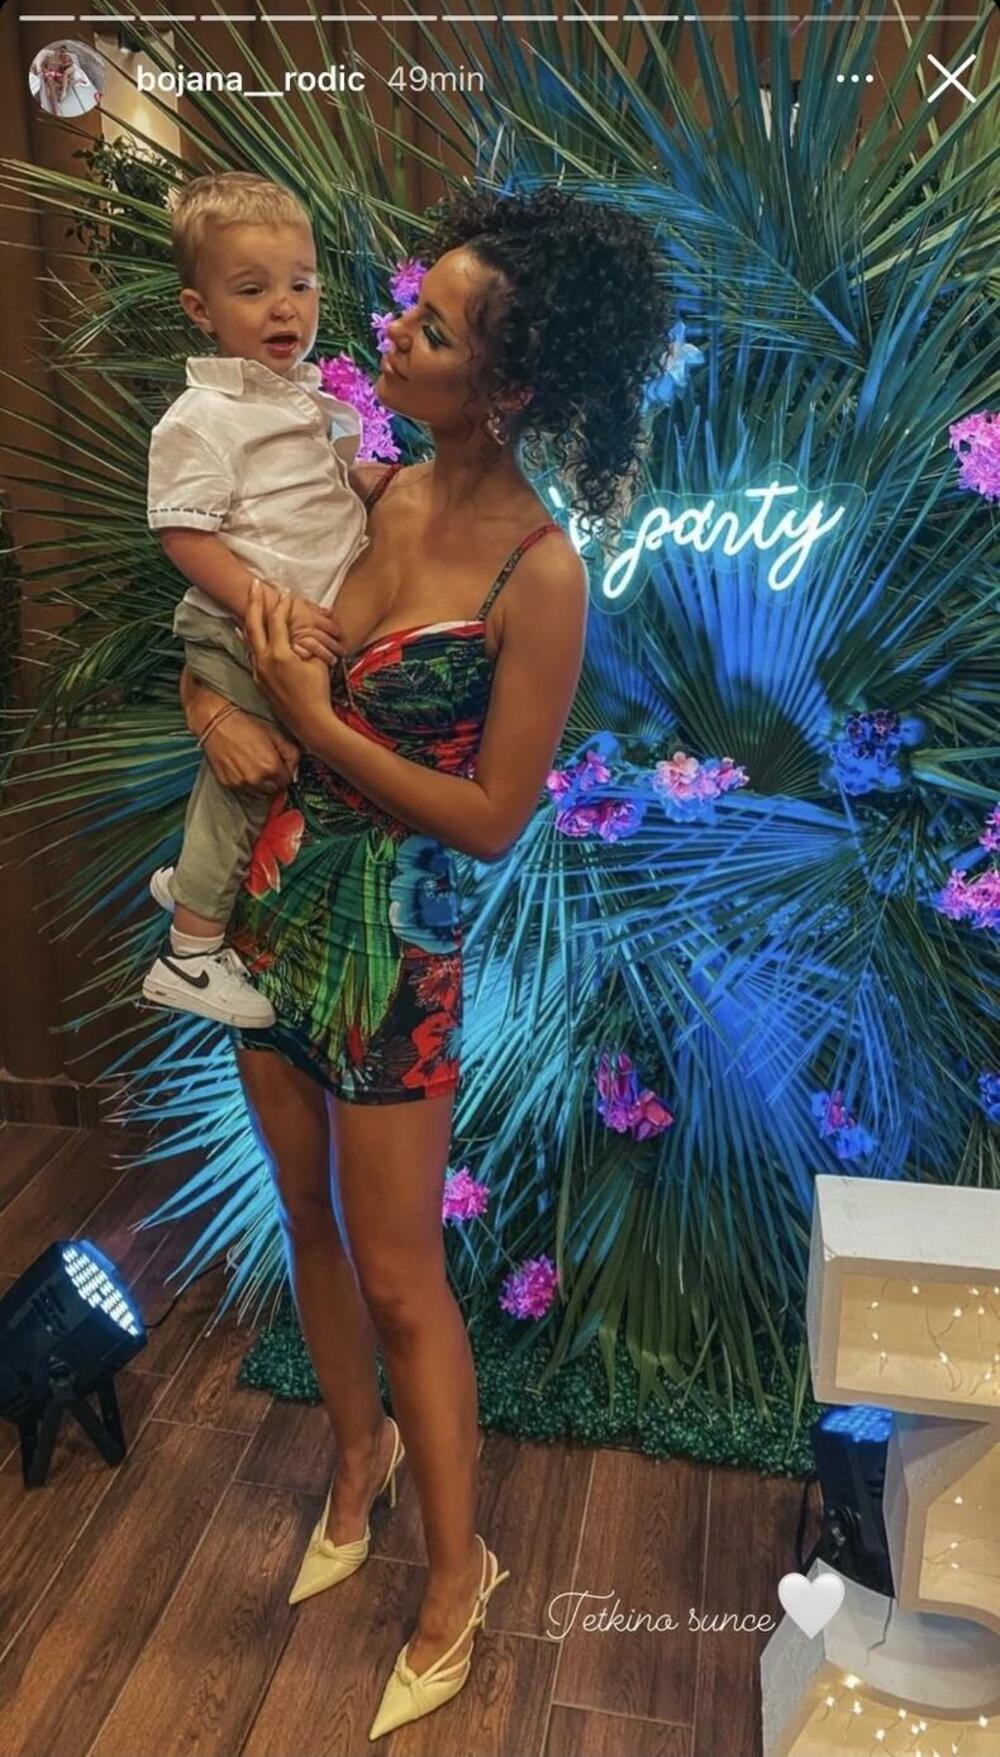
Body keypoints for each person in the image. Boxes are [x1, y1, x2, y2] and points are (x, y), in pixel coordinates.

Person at [175, 184, 669, 1741]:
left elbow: (496, 816)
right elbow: (220, 613)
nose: (390, 333)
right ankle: (355, 1460)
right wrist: (221, 708)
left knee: (401, 1276)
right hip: (275, 895)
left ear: (508, 385)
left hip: (403, 935)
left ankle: (461, 1574)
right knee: (309, 1228)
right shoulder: (364, 487)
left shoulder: (541, 571)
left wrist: (315, 724)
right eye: (408, 307)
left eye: (432, 330)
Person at [142, 172, 367, 1029]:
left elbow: (317, 496)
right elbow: (183, 532)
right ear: (199, 310)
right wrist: (262, 604)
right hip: (244, 626)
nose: (285, 307)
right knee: (250, 775)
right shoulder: (201, 417)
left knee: (249, 776)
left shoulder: (297, 397)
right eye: (252, 289)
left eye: (301, 284)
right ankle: (190, 954)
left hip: (274, 624)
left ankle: (193, 881)